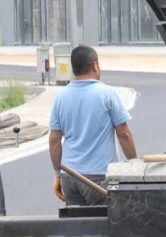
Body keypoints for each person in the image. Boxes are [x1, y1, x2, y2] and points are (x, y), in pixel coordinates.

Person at [49, 44, 137, 206]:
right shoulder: (107, 94)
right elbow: (124, 134)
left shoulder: (61, 97)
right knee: (103, 226)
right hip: (98, 178)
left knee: (77, 227)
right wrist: (135, 165)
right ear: (94, 65)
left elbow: (54, 140)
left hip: (70, 176)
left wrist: (57, 174)